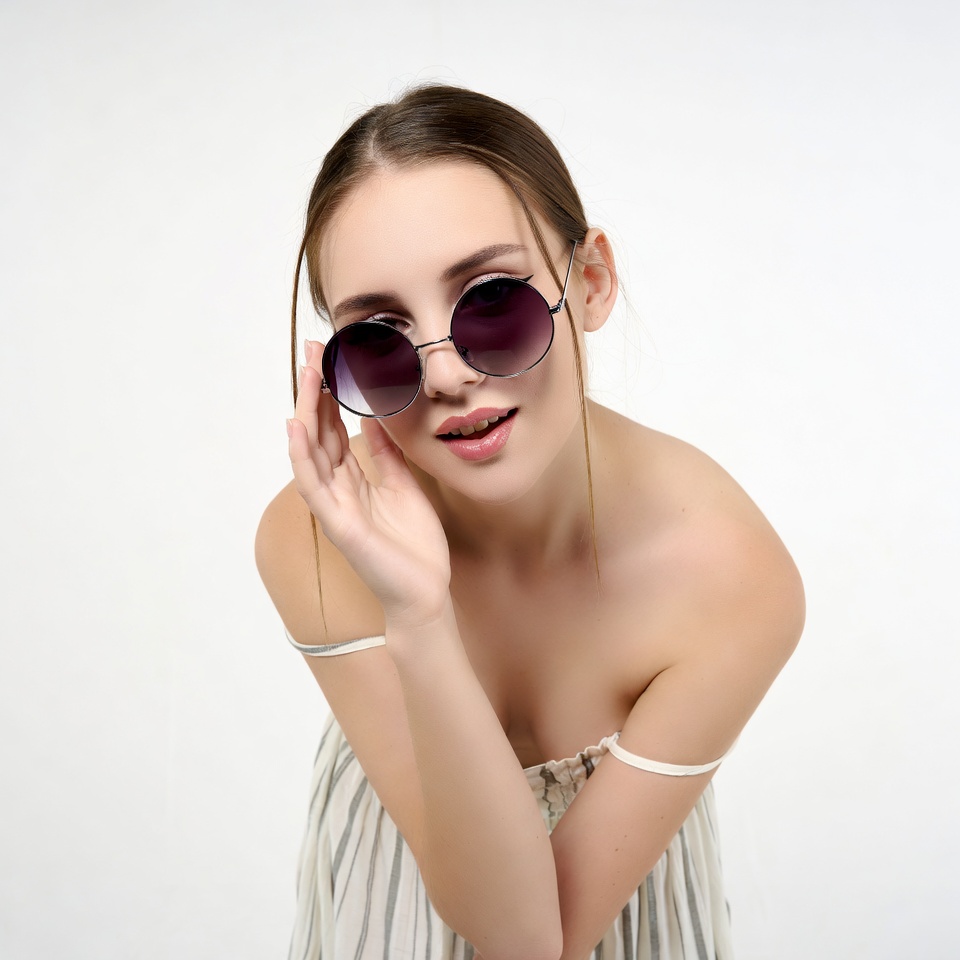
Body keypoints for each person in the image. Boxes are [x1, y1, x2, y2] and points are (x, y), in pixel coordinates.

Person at [255, 84, 804, 960]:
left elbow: (530, 942)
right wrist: (419, 615)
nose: (443, 377)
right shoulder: (319, 537)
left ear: (589, 283)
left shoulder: (725, 574)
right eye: (380, 338)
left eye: (491, 303)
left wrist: (422, 622)